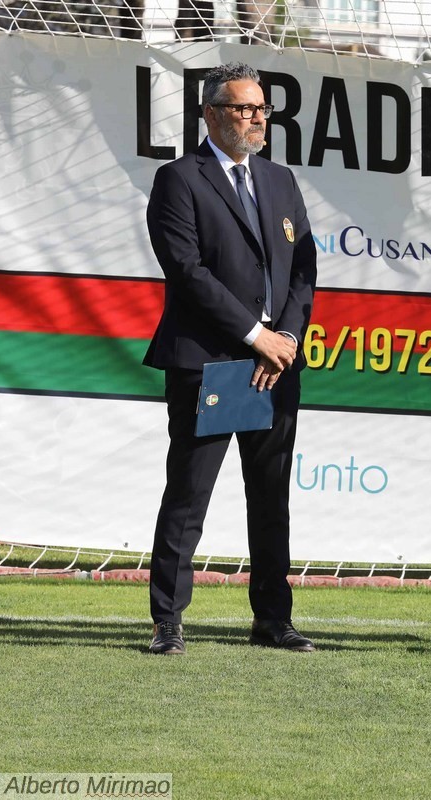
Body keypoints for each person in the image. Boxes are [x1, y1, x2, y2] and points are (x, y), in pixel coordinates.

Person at [143, 63, 317, 655]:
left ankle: (273, 619)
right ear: (211, 114)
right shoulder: (179, 180)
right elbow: (188, 273)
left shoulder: (280, 179)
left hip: (276, 366)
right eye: (243, 109)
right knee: (189, 496)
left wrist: (284, 340)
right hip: (213, 362)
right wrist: (253, 335)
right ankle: (168, 620)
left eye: (261, 109)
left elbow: (304, 269)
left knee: (270, 500)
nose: (256, 119)